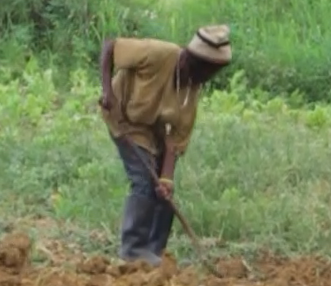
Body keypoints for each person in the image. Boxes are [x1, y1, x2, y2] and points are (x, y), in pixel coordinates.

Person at [98, 25, 232, 265]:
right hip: (124, 118)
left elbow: (176, 138)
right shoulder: (158, 53)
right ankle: (133, 251)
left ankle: (154, 252)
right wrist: (107, 91)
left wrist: (167, 178)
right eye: (201, 70)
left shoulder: (191, 88)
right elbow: (110, 47)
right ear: (191, 59)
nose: (201, 79)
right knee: (143, 181)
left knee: (164, 193)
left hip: (152, 130)